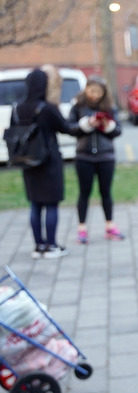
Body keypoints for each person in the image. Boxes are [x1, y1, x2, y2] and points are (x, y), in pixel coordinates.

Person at [12, 69, 76, 259]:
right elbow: (66, 128)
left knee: (35, 205)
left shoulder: (17, 108)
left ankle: (38, 246)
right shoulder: (47, 108)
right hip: (49, 163)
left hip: (27, 161)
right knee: (51, 204)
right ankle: (52, 246)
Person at [68, 76, 125, 244]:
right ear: (86, 89)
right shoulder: (78, 106)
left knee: (106, 192)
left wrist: (107, 125)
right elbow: (69, 128)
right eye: (92, 91)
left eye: (99, 92)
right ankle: (82, 228)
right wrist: (86, 124)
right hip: (84, 156)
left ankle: (109, 226)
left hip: (106, 155)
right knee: (84, 193)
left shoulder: (110, 107)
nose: (95, 95)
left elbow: (119, 131)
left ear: (104, 92)